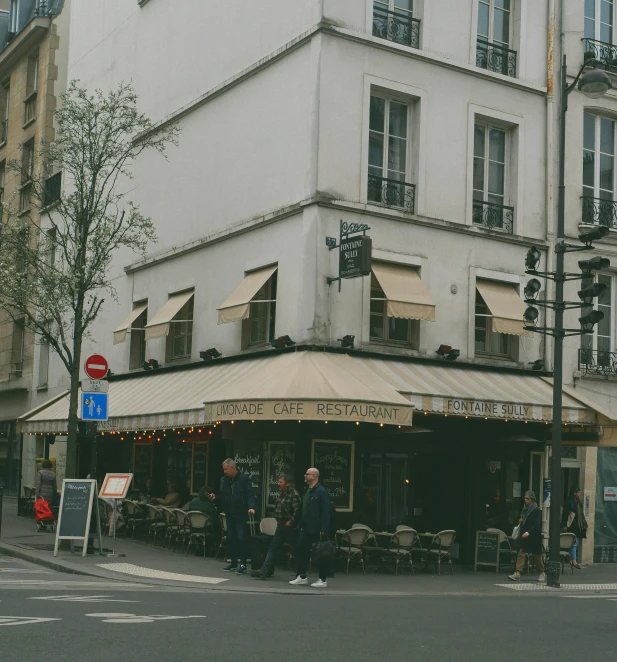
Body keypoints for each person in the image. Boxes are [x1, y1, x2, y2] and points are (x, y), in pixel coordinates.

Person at [251, 473, 302, 580]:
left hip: (289, 527)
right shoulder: (281, 493)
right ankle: (264, 570)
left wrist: (291, 522)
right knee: (273, 547)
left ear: (287, 484)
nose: (278, 484)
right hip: (280, 525)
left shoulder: (294, 495)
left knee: (295, 550)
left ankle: (300, 574)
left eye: (281, 482)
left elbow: (298, 511)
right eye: (278, 482)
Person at [209, 458, 255, 575]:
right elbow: (224, 495)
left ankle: (243, 564)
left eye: (225, 469)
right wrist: (216, 497)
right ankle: (233, 563)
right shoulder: (226, 480)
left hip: (240, 513)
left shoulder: (243, 479)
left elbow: (250, 494)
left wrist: (251, 506)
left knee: (241, 537)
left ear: (232, 468)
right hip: (229, 512)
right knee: (231, 538)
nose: (224, 472)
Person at [290, 467, 331, 588]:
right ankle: (301, 576)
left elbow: (325, 510)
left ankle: (322, 579)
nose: (304, 476)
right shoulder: (308, 490)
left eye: (307, 474)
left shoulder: (321, 491)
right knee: (300, 549)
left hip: (317, 527)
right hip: (306, 525)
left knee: (320, 552)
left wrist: (324, 528)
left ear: (314, 476)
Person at [509, 490, 546, 583]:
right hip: (525, 535)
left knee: (537, 556)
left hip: (533, 536)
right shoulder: (524, 509)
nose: (526, 500)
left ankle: (542, 572)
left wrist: (528, 532)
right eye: (525, 498)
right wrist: (521, 520)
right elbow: (523, 520)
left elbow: (537, 525)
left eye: (528, 498)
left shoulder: (537, 510)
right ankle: (517, 573)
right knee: (521, 553)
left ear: (532, 499)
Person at [561, 487, 587, 569]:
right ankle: (574, 560)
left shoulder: (578, 502)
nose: (579, 493)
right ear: (574, 493)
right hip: (572, 525)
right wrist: (564, 525)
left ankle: (572, 559)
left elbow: (581, 514)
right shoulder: (570, 502)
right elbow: (565, 514)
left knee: (576, 542)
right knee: (574, 543)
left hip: (578, 525)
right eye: (578, 492)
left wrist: (584, 523)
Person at [35, 459, 57, 531]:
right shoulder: (53, 474)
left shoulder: (40, 473)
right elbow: (54, 486)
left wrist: (37, 494)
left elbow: (38, 484)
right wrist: (54, 495)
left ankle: (42, 523)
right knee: (48, 509)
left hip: (42, 494)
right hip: (50, 493)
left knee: (42, 509)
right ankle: (49, 521)